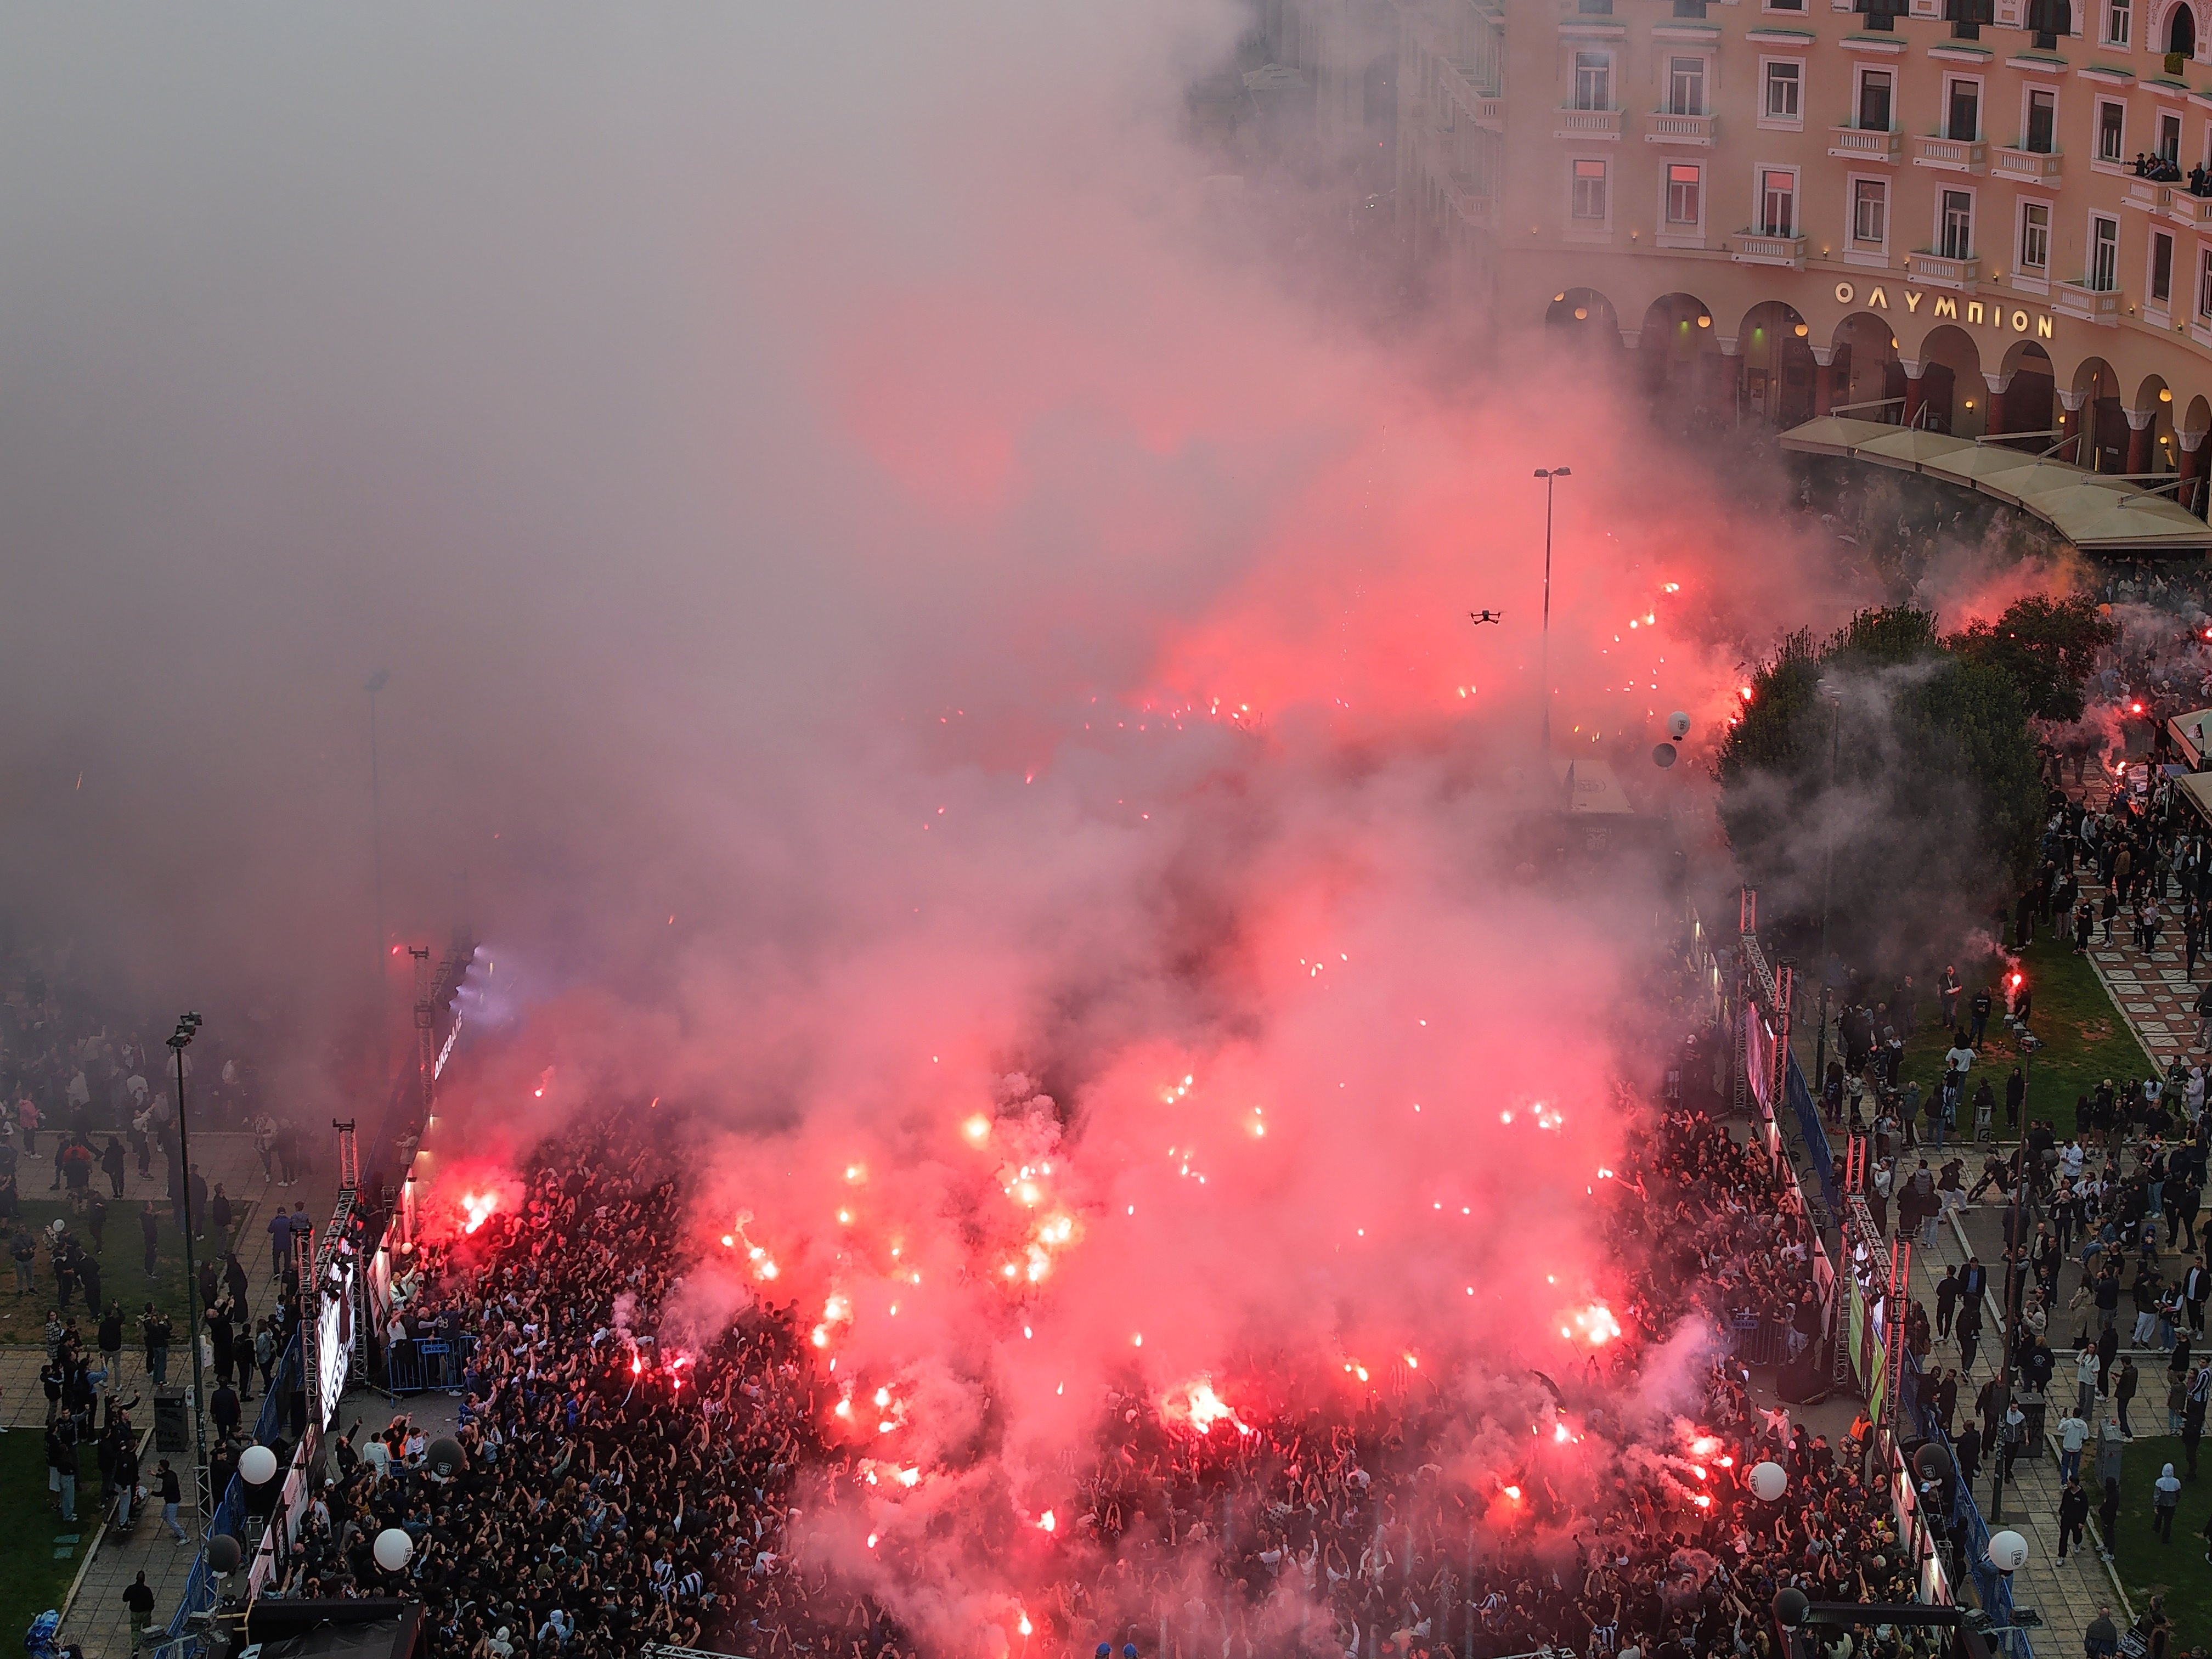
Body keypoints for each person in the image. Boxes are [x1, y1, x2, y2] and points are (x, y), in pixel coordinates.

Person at [2059, 1474, 2091, 1562]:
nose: (2067, 1483)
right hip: (2066, 1519)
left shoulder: (2082, 1495)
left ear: (2073, 1484)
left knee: (2077, 1535)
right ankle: (2062, 1556)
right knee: (2063, 1537)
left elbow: (2085, 1509)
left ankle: (2077, 1543)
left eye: (2069, 1482)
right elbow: (2064, 1502)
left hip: (2076, 1520)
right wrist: (2061, 1511)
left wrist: (2082, 1522)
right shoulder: (2067, 1492)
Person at [2059, 1407, 2091, 1482]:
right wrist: (2080, 1443)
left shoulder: (2069, 1423)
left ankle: (2064, 1482)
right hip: (2077, 1449)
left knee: (2065, 1466)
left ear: (2074, 1414)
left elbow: (2060, 1429)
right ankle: (2074, 1483)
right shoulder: (2084, 1425)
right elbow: (2086, 1437)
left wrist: (2063, 1418)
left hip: (2067, 1448)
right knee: (2075, 1467)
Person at [156, 1458, 184, 1542]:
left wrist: (152, 1492)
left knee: (171, 1520)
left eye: (159, 1465)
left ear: (162, 1467)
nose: (158, 1466)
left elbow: (162, 1493)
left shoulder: (167, 1481)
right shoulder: (171, 1474)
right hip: (172, 1499)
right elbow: (163, 1475)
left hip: (172, 1501)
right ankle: (177, 1532)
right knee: (164, 1515)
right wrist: (155, 1475)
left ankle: (184, 1536)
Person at [2155, 1462, 2183, 1541]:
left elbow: (2157, 1495)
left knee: (2159, 1516)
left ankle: (2156, 1528)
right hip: (2171, 1506)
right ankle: (2165, 1538)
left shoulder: (2160, 1482)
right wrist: (2176, 1501)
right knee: (2168, 1522)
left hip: (2161, 1504)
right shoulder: (2177, 1482)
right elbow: (2178, 1494)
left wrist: (2156, 1505)